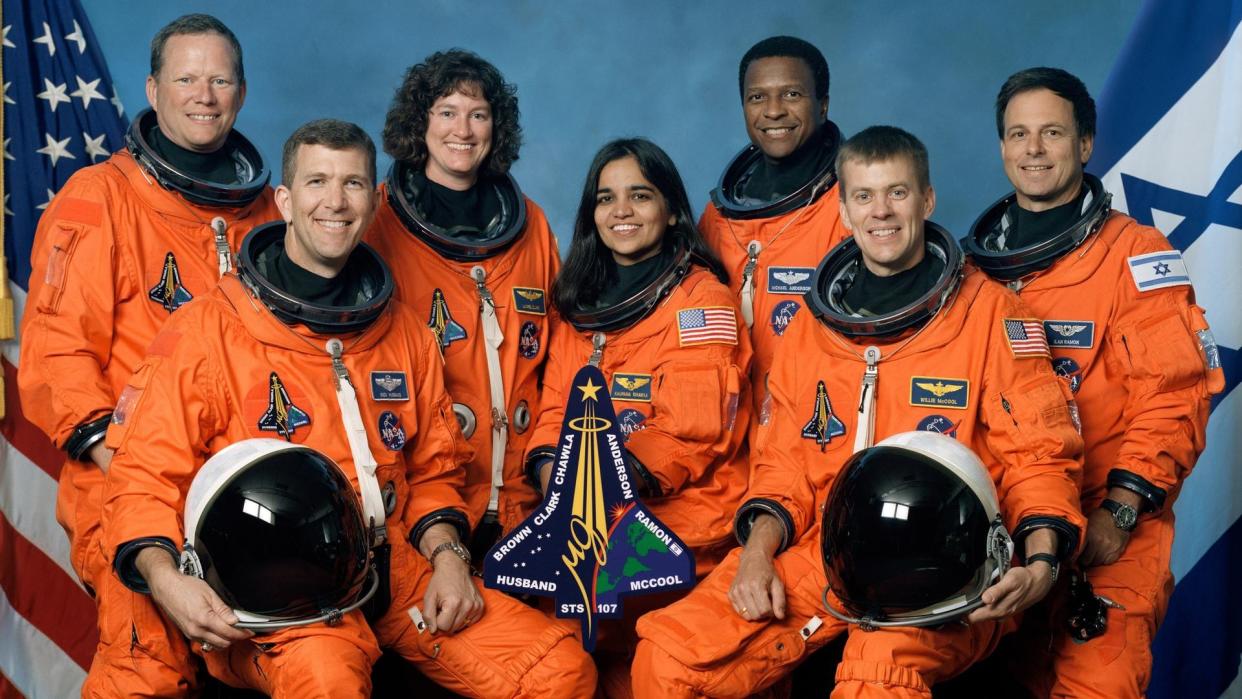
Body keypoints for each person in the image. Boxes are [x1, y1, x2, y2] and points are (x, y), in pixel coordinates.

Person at [100, 119, 597, 698]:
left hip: (397, 568)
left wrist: (449, 558)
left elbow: (435, 470)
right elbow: (141, 477)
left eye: (353, 184)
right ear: (284, 200)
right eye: (317, 182)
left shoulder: (406, 332)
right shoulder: (209, 331)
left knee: (559, 670)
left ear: (373, 200)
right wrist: (166, 579)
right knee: (328, 684)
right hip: (280, 593)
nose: (335, 202)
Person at [632, 126, 1086, 699]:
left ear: (927, 200)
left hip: (951, 562)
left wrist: (1041, 563)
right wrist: (755, 552)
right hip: (827, 549)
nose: (882, 212)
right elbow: (783, 469)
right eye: (865, 196)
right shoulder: (810, 330)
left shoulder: (992, 317)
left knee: (879, 671)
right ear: (844, 209)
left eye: (898, 193)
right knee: (669, 657)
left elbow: (1039, 458)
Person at [17, 14, 278, 696]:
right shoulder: (100, 199)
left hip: (238, 489)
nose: (204, 94)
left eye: (220, 79)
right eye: (186, 78)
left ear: (242, 94)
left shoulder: (267, 222)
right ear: (153, 90)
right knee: (149, 665)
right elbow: (58, 362)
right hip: (130, 485)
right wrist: (142, 476)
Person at [963, 67, 1224, 699]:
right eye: (1018, 134)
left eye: (1051, 132)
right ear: (1001, 147)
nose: (1033, 150)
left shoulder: (1134, 255)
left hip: (1109, 531)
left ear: (1084, 144)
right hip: (1008, 531)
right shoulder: (971, 271)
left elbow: (1175, 396)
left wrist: (1121, 510)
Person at [523, 138, 752, 695]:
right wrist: (554, 473)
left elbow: (688, 436)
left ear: (671, 210)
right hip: (587, 528)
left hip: (683, 532)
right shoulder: (578, 302)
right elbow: (555, 406)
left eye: (639, 195)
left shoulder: (702, 303)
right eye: (606, 198)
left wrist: (597, 490)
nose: (620, 211)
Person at [365, 49, 560, 559]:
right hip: (429, 507)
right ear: (419, 122)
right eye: (447, 112)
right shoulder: (376, 225)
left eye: (479, 114)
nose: (464, 130)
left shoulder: (531, 226)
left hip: (528, 495)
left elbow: (560, 355)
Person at [698, 36, 851, 400]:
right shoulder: (718, 215)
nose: (773, 111)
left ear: (823, 105)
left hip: (810, 419)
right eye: (757, 97)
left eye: (792, 95)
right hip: (730, 426)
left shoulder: (853, 206)